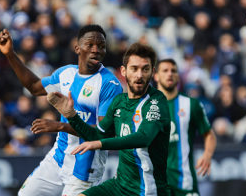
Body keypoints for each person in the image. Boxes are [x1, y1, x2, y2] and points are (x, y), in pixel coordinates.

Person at [0, 24, 123, 196]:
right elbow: (33, 86)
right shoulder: (66, 73)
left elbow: (103, 134)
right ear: (77, 48)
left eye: (101, 46)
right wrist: (10, 54)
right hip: (58, 158)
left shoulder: (109, 84)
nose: (96, 50)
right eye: (90, 45)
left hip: (85, 168)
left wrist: (59, 126)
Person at [33, 43, 172, 196]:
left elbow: (144, 138)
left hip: (147, 190)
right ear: (124, 71)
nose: (139, 75)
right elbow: (98, 135)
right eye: (134, 69)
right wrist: (71, 116)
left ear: (152, 72)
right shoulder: (119, 102)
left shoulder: (157, 101)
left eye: (145, 69)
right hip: (120, 185)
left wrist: (99, 143)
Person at [154, 58, 217, 196]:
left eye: (174, 71)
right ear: (156, 76)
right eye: (165, 70)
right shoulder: (147, 107)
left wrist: (207, 154)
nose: (170, 74)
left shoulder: (191, 105)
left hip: (185, 183)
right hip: (156, 184)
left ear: (178, 76)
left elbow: (209, 134)